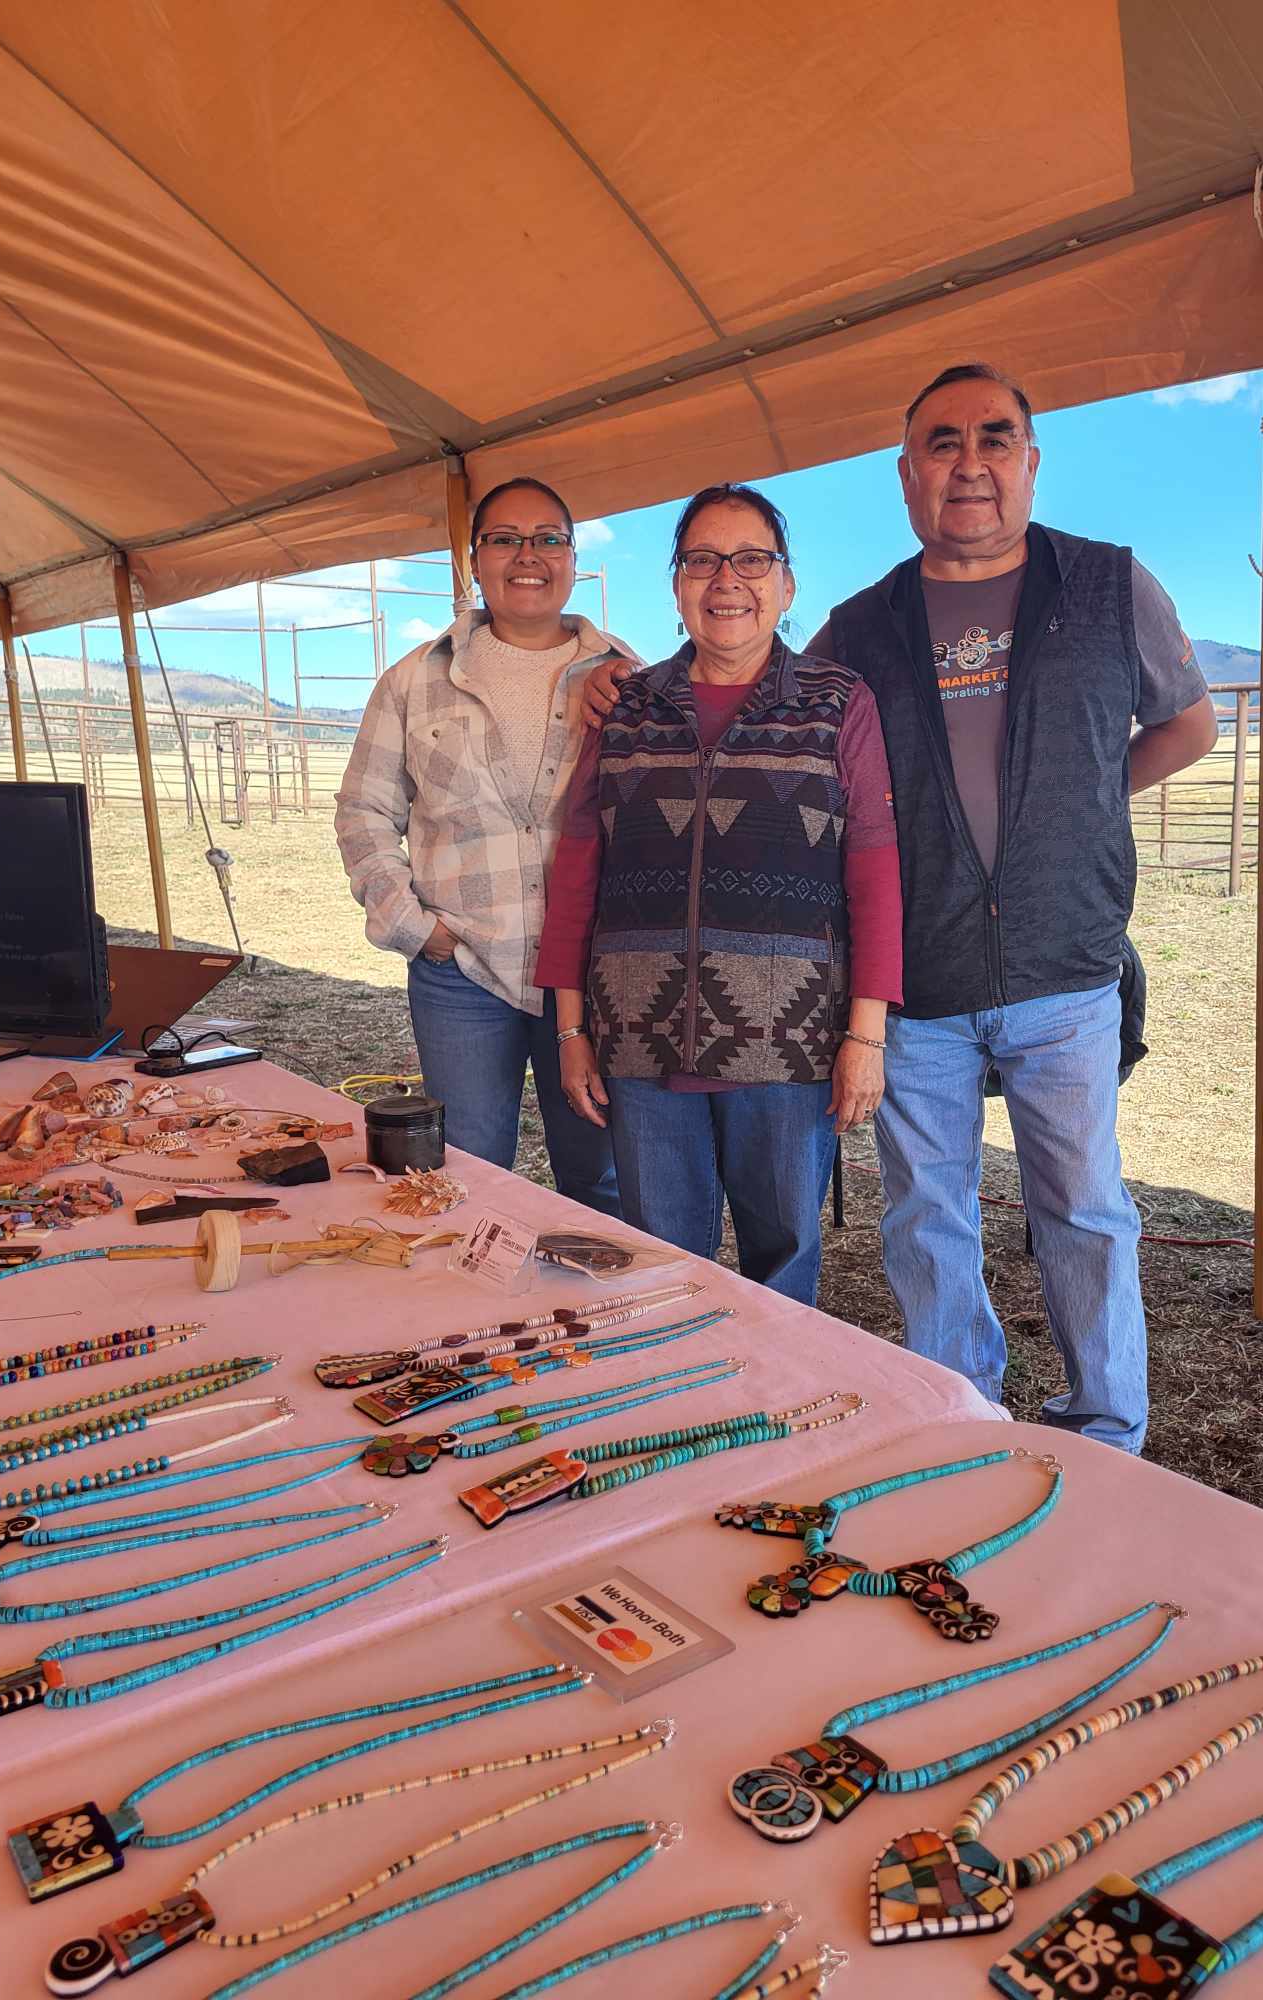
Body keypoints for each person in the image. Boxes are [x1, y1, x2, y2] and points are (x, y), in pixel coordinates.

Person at [584, 365, 1217, 1451]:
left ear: (1029, 459)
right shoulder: (862, 627)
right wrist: (627, 683)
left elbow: (1188, 726)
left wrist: (1070, 811)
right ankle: (958, 1412)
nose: (968, 460)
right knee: (929, 1213)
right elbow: (761, 692)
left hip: (1065, 969)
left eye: (993, 437)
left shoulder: (1110, 588)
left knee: (1085, 1209)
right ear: (905, 472)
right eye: (941, 441)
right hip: (916, 981)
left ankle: (1107, 1423)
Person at [536, 483, 902, 1305]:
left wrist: (865, 1036)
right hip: (638, 1033)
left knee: (783, 1256)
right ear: (676, 585)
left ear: (786, 584)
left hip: (788, 1041)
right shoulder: (627, 707)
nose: (725, 579)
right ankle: (680, 1406)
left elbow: (875, 873)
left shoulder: (837, 704)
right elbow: (578, 870)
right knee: (660, 1261)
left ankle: (773, 1417)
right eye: (702, 559)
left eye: (751, 559)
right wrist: (569, 1027)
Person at [334, 477, 637, 1213]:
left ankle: (589, 1318)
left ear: (573, 557)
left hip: (590, 975)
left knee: (597, 1173)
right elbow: (364, 811)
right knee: (462, 1174)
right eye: (504, 539)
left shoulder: (627, 676)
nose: (527, 556)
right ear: (475, 559)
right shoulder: (414, 681)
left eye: (547, 538)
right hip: (463, 969)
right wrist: (418, 929)